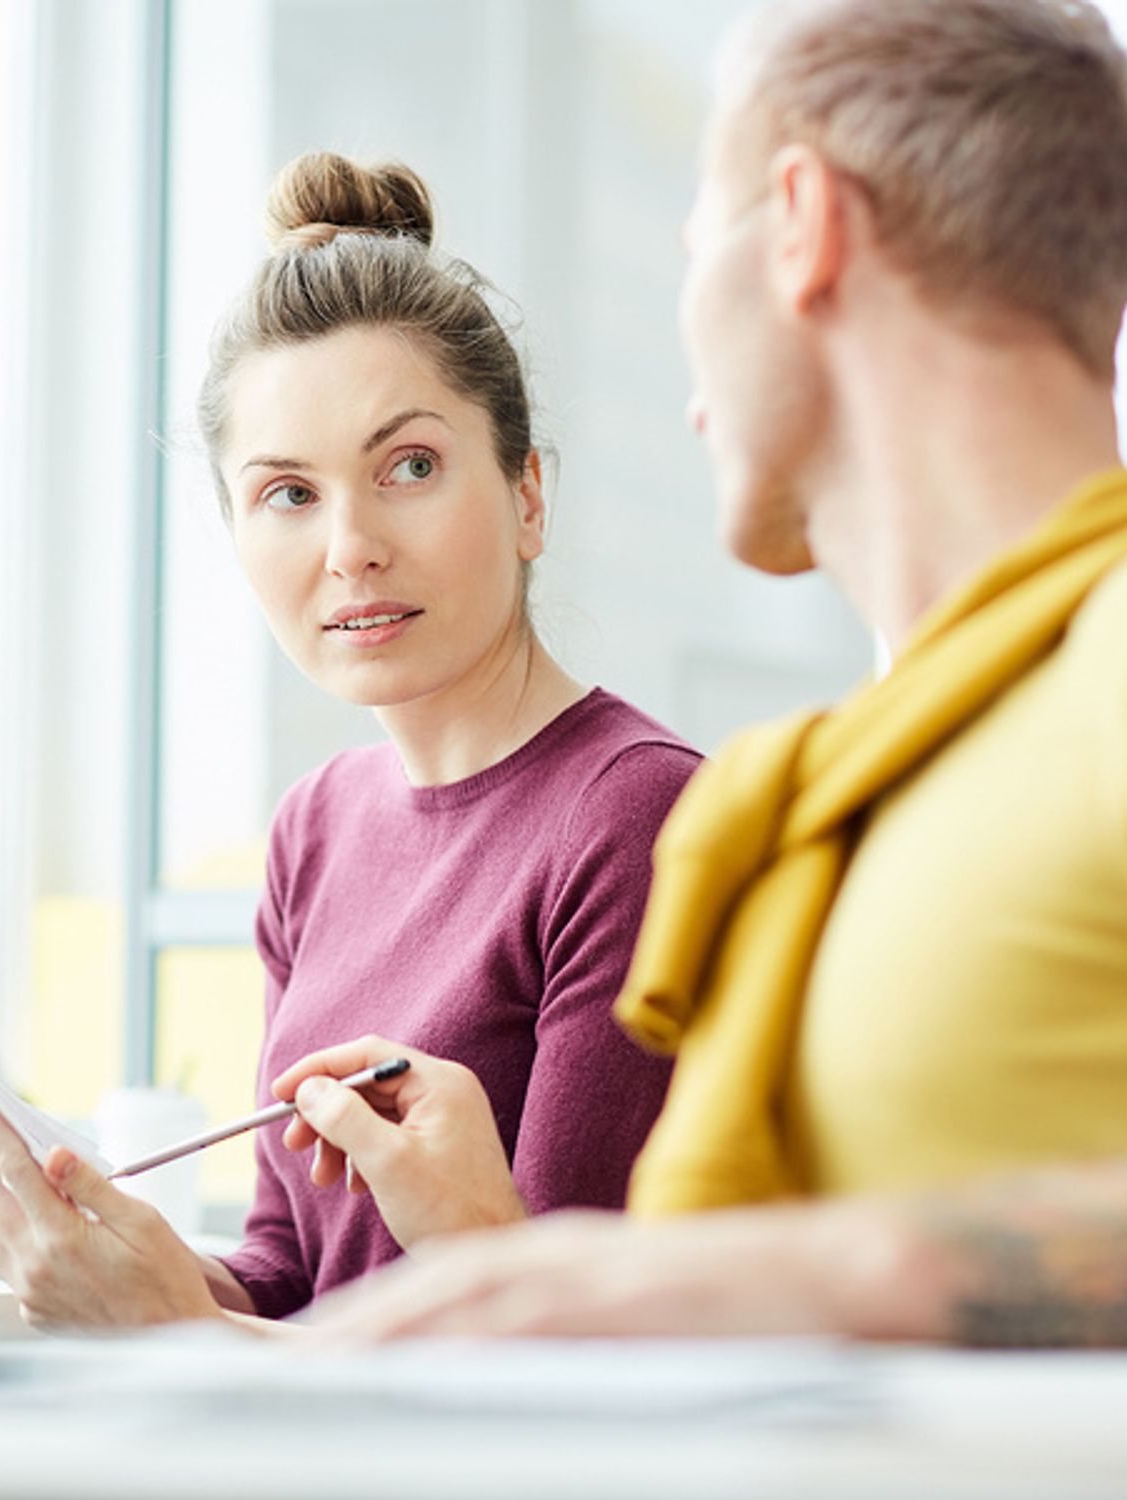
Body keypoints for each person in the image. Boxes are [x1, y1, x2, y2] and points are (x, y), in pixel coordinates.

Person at [289, 0, 1127, 1347]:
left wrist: (786, 1280)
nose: (690, 387)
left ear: (801, 229)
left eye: (695, 248)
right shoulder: (875, 783)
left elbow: (767, 1288)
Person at [0, 153, 700, 1329]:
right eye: (286, 494)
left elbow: (572, 1366)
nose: (347, 546)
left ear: (526, 497)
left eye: (407, 467)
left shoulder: (637, 818)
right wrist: (115, 1255)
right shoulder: (317, 826)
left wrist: (185, 1335)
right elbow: (291, 1280)